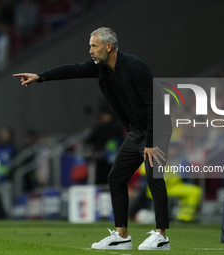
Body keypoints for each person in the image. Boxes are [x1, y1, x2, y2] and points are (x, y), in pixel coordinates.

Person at [13, 27, 172, 250]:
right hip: (137, 131)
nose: (90, 51)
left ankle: (161, 236)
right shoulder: (101, 68)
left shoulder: (135, 67)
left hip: (157, 129)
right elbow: (72, 69)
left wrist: (151, 142)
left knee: (154, 177)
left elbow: (154, 105)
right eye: (90, 46)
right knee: (116, 178)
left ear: (108, 46)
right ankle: (122, 236)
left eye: (94, 46)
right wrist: (40, 77)